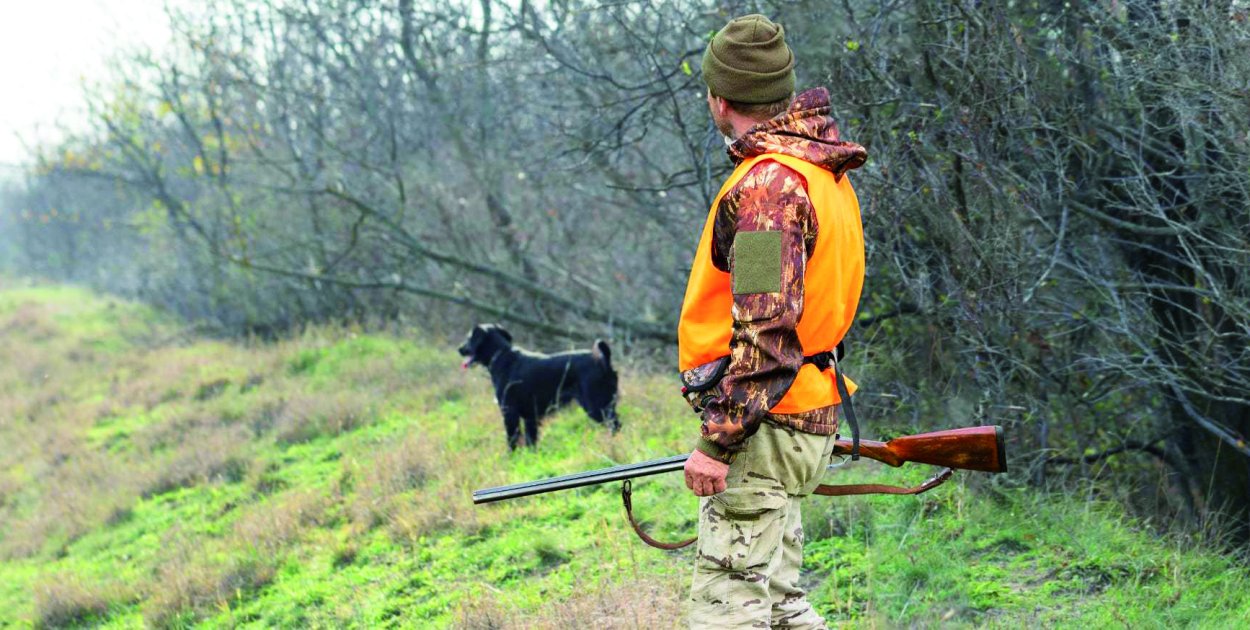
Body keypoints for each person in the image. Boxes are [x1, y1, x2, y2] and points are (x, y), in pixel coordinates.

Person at [676, 13, 868, 629]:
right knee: (782, 606)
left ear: (721, 98)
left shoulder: (768, 191)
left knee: (726, 611)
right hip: (803, 412)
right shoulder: (819, 170)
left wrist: (718, 440)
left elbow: (765, 329)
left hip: (765, 426)